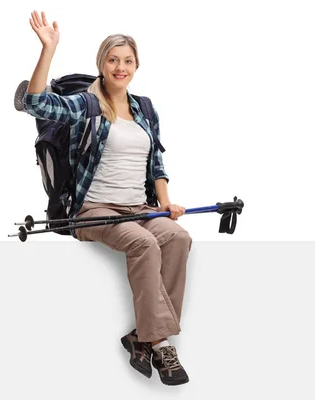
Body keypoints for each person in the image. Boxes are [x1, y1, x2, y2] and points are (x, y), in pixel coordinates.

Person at [23, 10, 192, 386]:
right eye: (113, 59)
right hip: (94, 209)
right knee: (145, 244)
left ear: (136, 66)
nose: (120, 67)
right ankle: (160, 341)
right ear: (101, 63)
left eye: (127, 60)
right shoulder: (87, 105)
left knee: (179, 238)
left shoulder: (145, 108)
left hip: (140, 207)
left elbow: (157, 162)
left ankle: (140, 336)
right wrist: (48, 49)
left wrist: (165, 203)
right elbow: (36, 104)